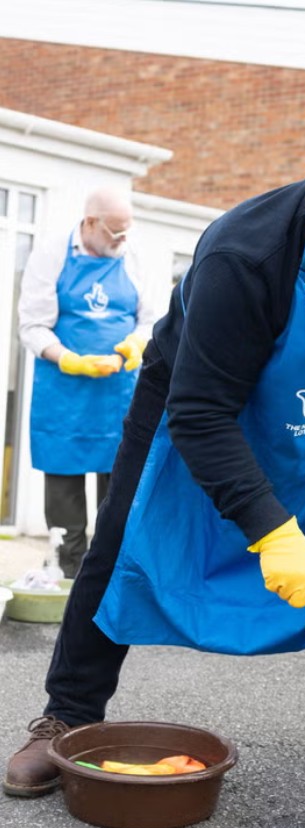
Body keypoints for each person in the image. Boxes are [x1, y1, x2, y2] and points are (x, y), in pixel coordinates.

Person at [4, 110, 305, 828]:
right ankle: (65, 715)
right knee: (120, 538)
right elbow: (201, 414)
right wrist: (273, 533)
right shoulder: (244, 251)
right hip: (195, 395)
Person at [18, 187, 154, 577]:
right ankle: (67, 573)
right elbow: (32, 325)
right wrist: (69, 359)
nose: (123, 239)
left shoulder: (131, 255)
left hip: (118, 397)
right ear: (90, 222)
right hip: (65, 397)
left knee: (119, 494)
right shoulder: (51, 254)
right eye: (115, 231)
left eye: (127, 230)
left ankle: (108, 579)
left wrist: (134, 345)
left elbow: (149, 319)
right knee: (65, 496)